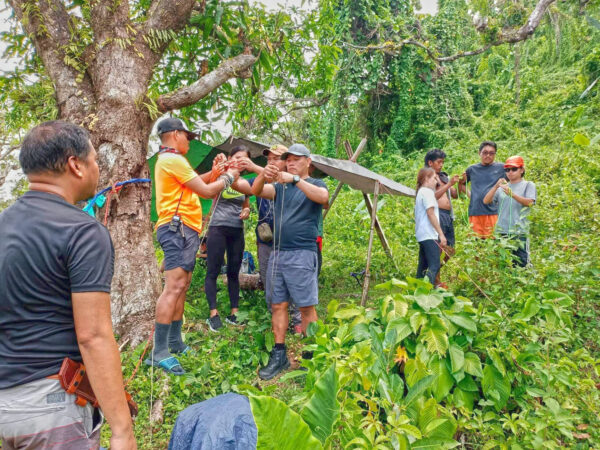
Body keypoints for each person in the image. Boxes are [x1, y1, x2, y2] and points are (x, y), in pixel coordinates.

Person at [0, 121, 136, 449]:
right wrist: (122, 429)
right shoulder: (82, 232)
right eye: (94, 160)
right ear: (75, 165)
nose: (97, 167)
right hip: (52, 409)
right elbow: (93, 336)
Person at [150, 117, 239, 375]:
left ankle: (175, 342)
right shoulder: (172, 160)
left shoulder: (172, 162)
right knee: (174, 286)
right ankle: (159, 351)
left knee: (182, 286)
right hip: (176, 229)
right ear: (176, 134)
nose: (189, 141)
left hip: (185, 229)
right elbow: (209, 192)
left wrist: (216, 173)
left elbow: (197, 186)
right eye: (188, 136)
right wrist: (230, 177)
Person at [251, 144, 329, 380]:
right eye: (289, 159)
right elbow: (257, 191)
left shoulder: (315, 184)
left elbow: (323, 198)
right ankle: (279, 353)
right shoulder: (280, 188)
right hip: (277, 253)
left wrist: (294, 179)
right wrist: (264, 174)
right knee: (278, 304)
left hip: (302, 253)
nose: (291, 162)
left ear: (308, 161)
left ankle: (312, 356)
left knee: (306, 307)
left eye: (296, 159)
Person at [204, 146, 252, 332]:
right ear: (230, 158)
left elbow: (246, 206)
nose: (240, 161)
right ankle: (213, 313)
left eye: (244, 159)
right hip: (217, 228)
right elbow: (207, 188)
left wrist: (246, 211)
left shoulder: (246, 184)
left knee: (234, 271)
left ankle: (234, 313)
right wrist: (220, 171)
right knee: (213, 270)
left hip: (236, 230)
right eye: (237, 157)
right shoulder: (221, 176)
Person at [483, 156, 536, 267]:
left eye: (514, 169)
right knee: (505, 264)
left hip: (519, 231)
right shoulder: (502, 188)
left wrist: (513, 195)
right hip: (502, 232)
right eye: (507, 170)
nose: (510, 172)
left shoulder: (528, 185)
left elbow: (530, 203)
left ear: (522, 170)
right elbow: (486, 201)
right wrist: (496, 186)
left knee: (522, 263)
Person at [424, 149, 459, 288]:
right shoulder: (427, 177)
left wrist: (459, 183)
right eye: (439, 162)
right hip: (437, 214)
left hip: (448, 216)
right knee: (439, 248)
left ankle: (433, 273)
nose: (441, 165)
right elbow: (432, 196)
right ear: (430, 162)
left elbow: (455, 195)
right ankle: (436, 281)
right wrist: (449, 184)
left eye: (443, 162)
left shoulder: (443, 176)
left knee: (450, 249)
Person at [459, 141, 506, 238]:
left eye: (491, 153)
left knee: (494, 243)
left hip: (494, 212)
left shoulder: (502, 168)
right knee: (477, 245)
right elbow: (462, 185)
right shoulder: (472, 169)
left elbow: (513, 181)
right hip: (475, 212)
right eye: (485, 152)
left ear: (495, 154)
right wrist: (472, 196)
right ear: (479, 153)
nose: (488, 155)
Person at [414, 168, 447, 285]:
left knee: (422, 267)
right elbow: (430, 213)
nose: (436, 182)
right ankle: (426, 291)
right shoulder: (427, 192)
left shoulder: (421, 192)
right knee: (435, 265)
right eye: (434, 178)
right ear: (426, 179)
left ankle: (415, 292)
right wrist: (441, 234)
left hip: (422, 234)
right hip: (429, 234)